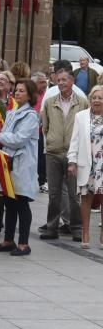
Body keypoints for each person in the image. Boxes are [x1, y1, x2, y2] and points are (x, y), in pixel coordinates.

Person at [0, 79, 40, 256]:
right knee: (9, 202)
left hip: (21, 164)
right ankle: (8, 240)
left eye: (22, 91)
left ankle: (24, 243)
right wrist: (0, 137)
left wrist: (0, 136)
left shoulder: (31, 115)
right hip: (7, 162)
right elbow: (6, 135)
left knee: (21, 202)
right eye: (16, 90)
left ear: (30, 95)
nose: (17, 93)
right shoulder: (11, 112)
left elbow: (19, 139)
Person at [40, 68, 87, 241]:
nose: (60, 83)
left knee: (74, 194)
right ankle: (51, 227)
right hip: (53, 152)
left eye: (64, 80)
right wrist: (52, 141)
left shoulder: (82, 103)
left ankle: (76, 227)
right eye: (58, 80)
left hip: (74, 154)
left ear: (72, 81)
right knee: (53, 193)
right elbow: (45, 127)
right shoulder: (50, 102)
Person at [68, 85, 103, 249]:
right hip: (86, 163)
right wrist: (72, 161)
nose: (97, 100)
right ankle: (85, 232)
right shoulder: (81, 117)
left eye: (100, 98)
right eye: (94, 97)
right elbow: (74, 140)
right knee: (86, 198)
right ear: (90, 100)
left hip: (102, 165)